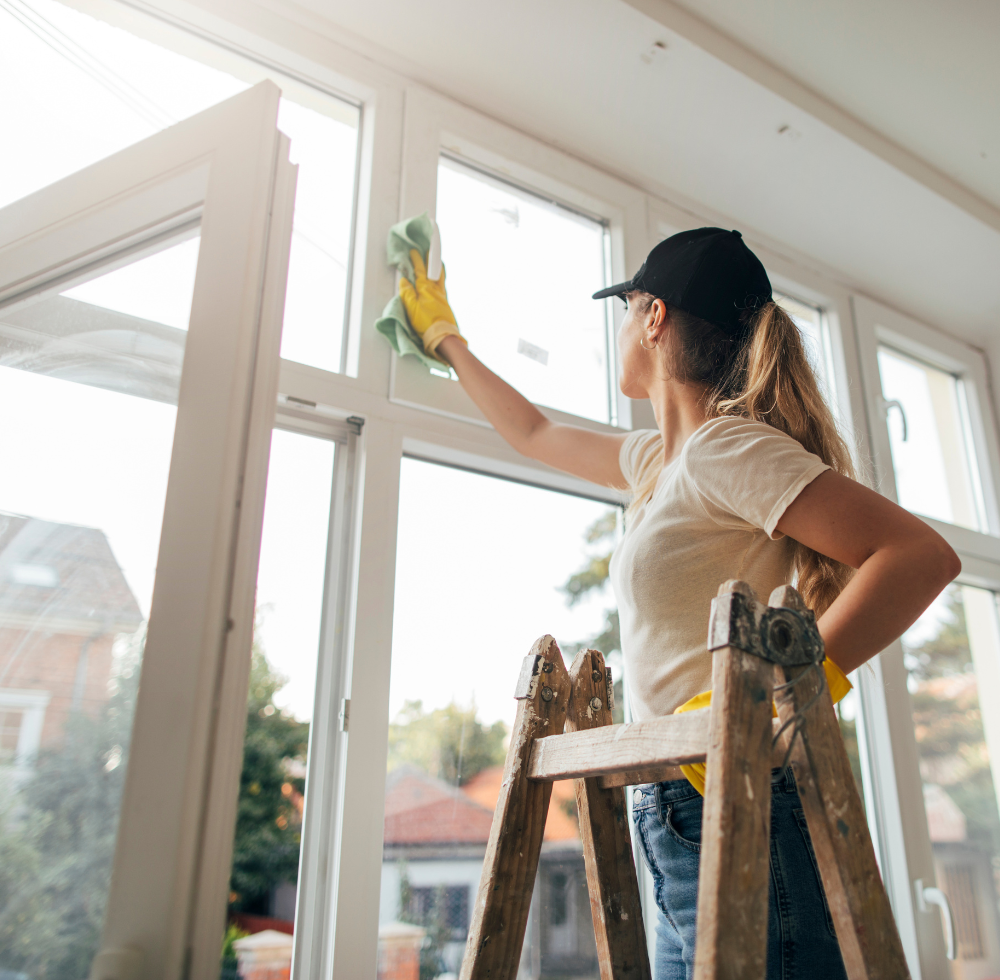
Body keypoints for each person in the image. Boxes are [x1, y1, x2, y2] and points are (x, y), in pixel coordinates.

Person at [398, 226, 959, 980]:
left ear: (654, 317)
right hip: (674, 812)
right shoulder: (657, 462)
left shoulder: (729, 449)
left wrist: (782, 695)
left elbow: (920, 557)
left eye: (626, 309)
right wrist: (446, 338)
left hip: (743, 802)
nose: (622, 328)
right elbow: (531, 431)